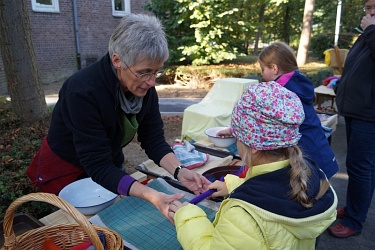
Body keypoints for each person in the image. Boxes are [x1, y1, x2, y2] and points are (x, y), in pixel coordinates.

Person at [26, 13, 210, 222]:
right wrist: (151, 195)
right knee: (72, 229)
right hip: (66, 172)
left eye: (156, 71)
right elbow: (97, 164)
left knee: (110, 222)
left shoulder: (144, 88)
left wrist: (179, 171)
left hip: (106, 166)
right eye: (144, 72)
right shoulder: (82, 91)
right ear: (117, 60)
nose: (151, 82)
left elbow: (153, 139)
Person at [168, 81, 337, 249]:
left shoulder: (242, 216)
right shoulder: (311, 172)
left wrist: (188, 218)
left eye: (237, 135)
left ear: (254, 146)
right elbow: (276, 192)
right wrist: (235, 186)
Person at [257, 41, 339, 179]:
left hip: (308, 160)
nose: (261, 73)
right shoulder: (298, 81)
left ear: (274, 68)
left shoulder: (282, 92)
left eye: (262, 69)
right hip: (320, 152)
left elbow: (267, 123)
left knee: (311, 197)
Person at [328, 0, 375, 238]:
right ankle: (356, 207)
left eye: (374, 6)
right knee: (363, 166)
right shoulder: (370, 32)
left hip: (370, 114)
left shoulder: (372, 30)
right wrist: (339, 84)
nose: (370, 11)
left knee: (360, 167)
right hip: (358, 109)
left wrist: (371, 30)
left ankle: (355, 220)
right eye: (367, 7)